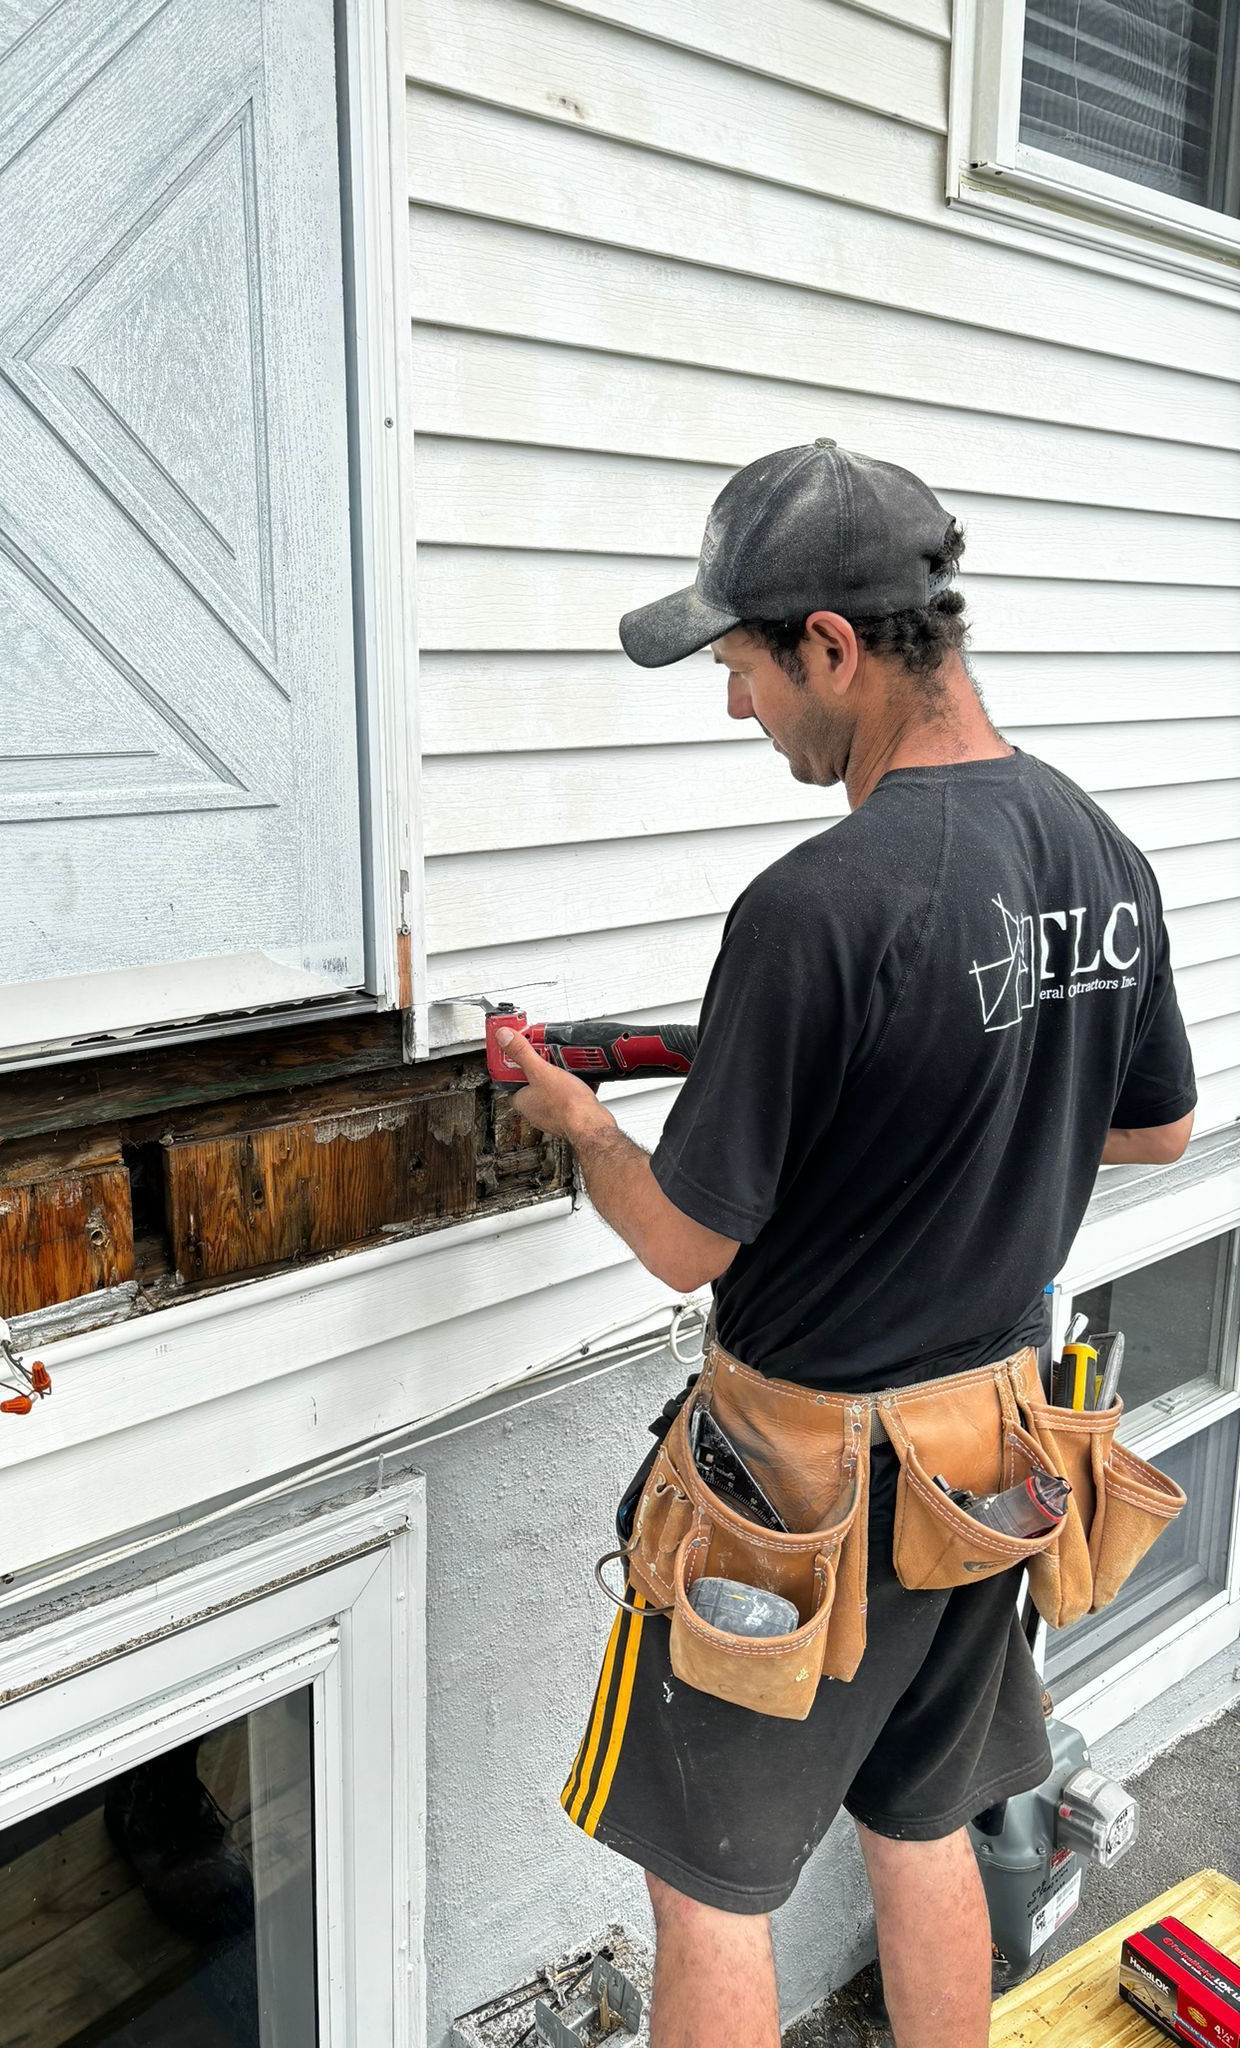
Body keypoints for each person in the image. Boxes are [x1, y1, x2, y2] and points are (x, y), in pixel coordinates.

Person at [496, 439, 1197, 2048]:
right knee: (921, 1823)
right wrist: (970, 1101)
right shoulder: (1101, 855)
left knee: (710, 1895)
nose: (738, 705)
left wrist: (579, 1125)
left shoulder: (821, 904)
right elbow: (1153, 1124)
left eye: (742, 665)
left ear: (832, 643)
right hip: (990, 1461)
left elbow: (685, 1243)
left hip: (800, 1509)